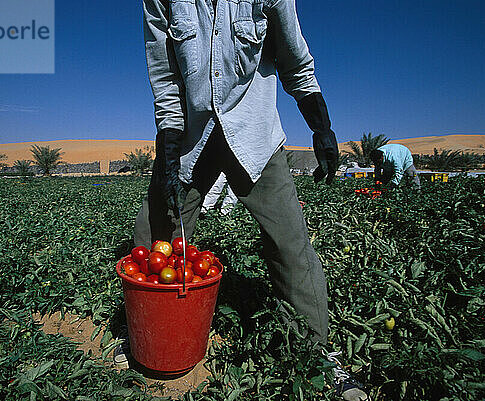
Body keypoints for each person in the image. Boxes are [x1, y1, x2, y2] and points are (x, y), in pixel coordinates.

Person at [133, 1, 368, 399]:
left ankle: (314, 351)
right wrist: (169, 138)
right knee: (153, 231)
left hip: (253, 132)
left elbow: (295, 58)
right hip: (193, 135)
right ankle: (148, 329)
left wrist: (321, 125)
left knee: (289, 243)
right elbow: (164, 71)